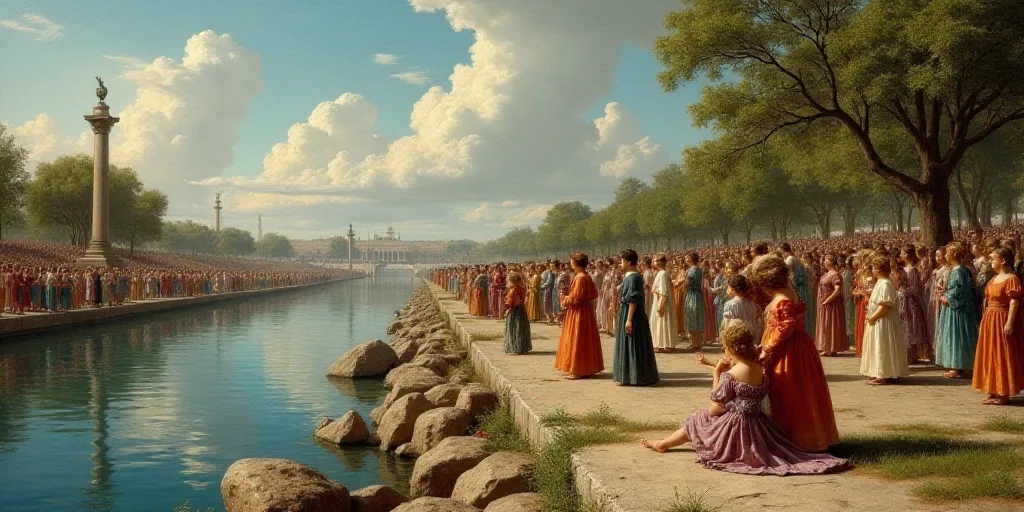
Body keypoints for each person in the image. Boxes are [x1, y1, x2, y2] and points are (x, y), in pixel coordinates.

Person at [640, 324, 851, 476]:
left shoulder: (731, 375)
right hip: (758, 422)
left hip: (736, 424)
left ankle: (664, 443)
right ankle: (664, 443)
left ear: (730, 349)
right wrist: (715, 367)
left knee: (700, 417)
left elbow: (715, 408)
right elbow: (743, 384)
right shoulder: (759, 367)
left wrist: (716, 375)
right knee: (703, 417)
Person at [751, 255, 840, 452]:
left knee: (788, 391)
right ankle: (809, 437)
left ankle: (792, 438)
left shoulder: (781, 300)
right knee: (804, 390)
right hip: (801, 348)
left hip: (788, 352)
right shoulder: (791, 292)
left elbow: (785, 327)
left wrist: (767, 348)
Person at [972, 246, 1024, 405]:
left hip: (1002, 317)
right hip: (990, 319)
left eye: (994, 258)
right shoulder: (993, 279)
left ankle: (1004, 392)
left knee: (1002, 353)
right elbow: (986, 301)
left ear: (1003, 260)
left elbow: (1014, 301)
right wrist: (983, 321)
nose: (991, 261)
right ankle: (993, 389)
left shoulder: (1011, 279)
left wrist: (1009, 322)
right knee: (990, 353)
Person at [860, 256, 909, 385]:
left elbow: (884, 306)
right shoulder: (881, 283)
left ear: (878, 269)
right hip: (879, 320)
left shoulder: (885, 284)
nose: (873, 271)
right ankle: (882, 372)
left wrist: (873, 317)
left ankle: (884, 374)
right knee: (880, 346)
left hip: (883, 321)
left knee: (882, 346)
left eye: (874, 268)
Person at [613, 249, 659, 386]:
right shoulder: (630, 276)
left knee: (634, 344)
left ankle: (636, 376)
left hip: (632, 315)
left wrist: (629, 319)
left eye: (622, 261)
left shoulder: (633, 278)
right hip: (628, 313)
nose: (620, 264)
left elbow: (633, 300)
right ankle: (630, 376)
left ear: (628, 262)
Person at [555, 252, 604, 379]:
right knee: (586, 339)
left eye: (572, 261)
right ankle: (587, 368)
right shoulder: (587, 277)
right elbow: (594, 294)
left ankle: (576, 369)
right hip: (586, 311)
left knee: (576, 338)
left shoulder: (580, 278)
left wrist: (564, 298)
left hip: (578, 312)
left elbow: (575, 298)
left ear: (576, 263)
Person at [937, 242, 978, 379]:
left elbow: (958, 291)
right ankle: (960, 367)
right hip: (957, 309)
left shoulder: (959, 271)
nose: (946, 255)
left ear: (954, 254)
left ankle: (960, 366)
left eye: (948, 252)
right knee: (957, 336)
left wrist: (945, 298)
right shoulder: (959, 270)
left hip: (957, 311)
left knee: (957, 335)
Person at [816, 254, 848, 357]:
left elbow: (837, 290)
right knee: (825, 325)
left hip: (832, 304)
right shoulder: (827, 273)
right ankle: (826, 347)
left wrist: (827, 300)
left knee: (831, 325)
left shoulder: (835, 275)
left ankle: (832, 348)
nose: (824, 262)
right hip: (824, 304)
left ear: (831, 262)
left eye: (826, 260)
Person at [722, 274, 762, 345]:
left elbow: (727, 325)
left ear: (733, 289)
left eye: (728, 288)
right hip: (752, 338)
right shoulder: (753, 305)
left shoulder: (730, 305)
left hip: (737, 339)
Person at [649, 254, 678, 353]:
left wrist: (661, 306)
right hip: (659, 299)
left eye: (656, 260)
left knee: (663, 321)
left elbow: (664, 291)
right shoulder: (661, 273)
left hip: (662, 301)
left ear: (661, 262)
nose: (654, 262)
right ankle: (663, 343)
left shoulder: (662, 274)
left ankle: (664, 344)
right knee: (661, 322)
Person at [503, 271, 532, 355]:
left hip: (514, 311)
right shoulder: (522, 288)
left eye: (508, 280)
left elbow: (510, 303)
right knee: (521, 328)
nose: (508, 282)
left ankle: (516, 347)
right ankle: (523, 347)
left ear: (512, 281)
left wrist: (505, 308)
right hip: (522, 310)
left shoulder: (512, 290)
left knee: (515, 328)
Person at [683, 252, 706, 350]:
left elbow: (688, 283)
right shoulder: (700, 270)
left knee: (692, 317)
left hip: (692, 294)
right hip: (699, 295)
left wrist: (683, 286)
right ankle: (699, 343)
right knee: (698, 318)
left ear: (690, 260)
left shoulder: (690, 270)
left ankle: (694, 343)